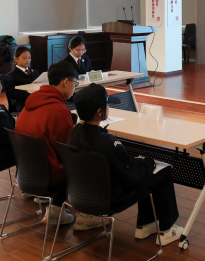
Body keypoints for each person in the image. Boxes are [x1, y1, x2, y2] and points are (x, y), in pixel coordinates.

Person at [68, 84, 183, 244]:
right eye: (107, 105)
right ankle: (166, 230)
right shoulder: (108, 143)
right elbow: (132, 177)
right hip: (110, 199)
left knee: (143, 168)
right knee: (163, 171)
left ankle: (145, 224)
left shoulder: (73, 135)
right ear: (100, 112)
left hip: (80, 196)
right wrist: (149, 163)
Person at [15, 60, 95, 228]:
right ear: (66, 82)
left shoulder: (31, 103)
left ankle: (56, 210)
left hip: (26, 174)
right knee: (90, 159)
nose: (74, 87)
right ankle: (88, 215)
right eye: (75, 83)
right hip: (49, 176)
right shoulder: (58, 110)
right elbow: (68, 149)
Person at [7, 47, 40, 112]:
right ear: (16, 59)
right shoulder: (11, 76)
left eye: (29, 58)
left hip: (37, 98)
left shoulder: (35, 72)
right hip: (23, 102)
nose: (27, 60)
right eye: (24, 58)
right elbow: (12, 95)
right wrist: (28, 90)